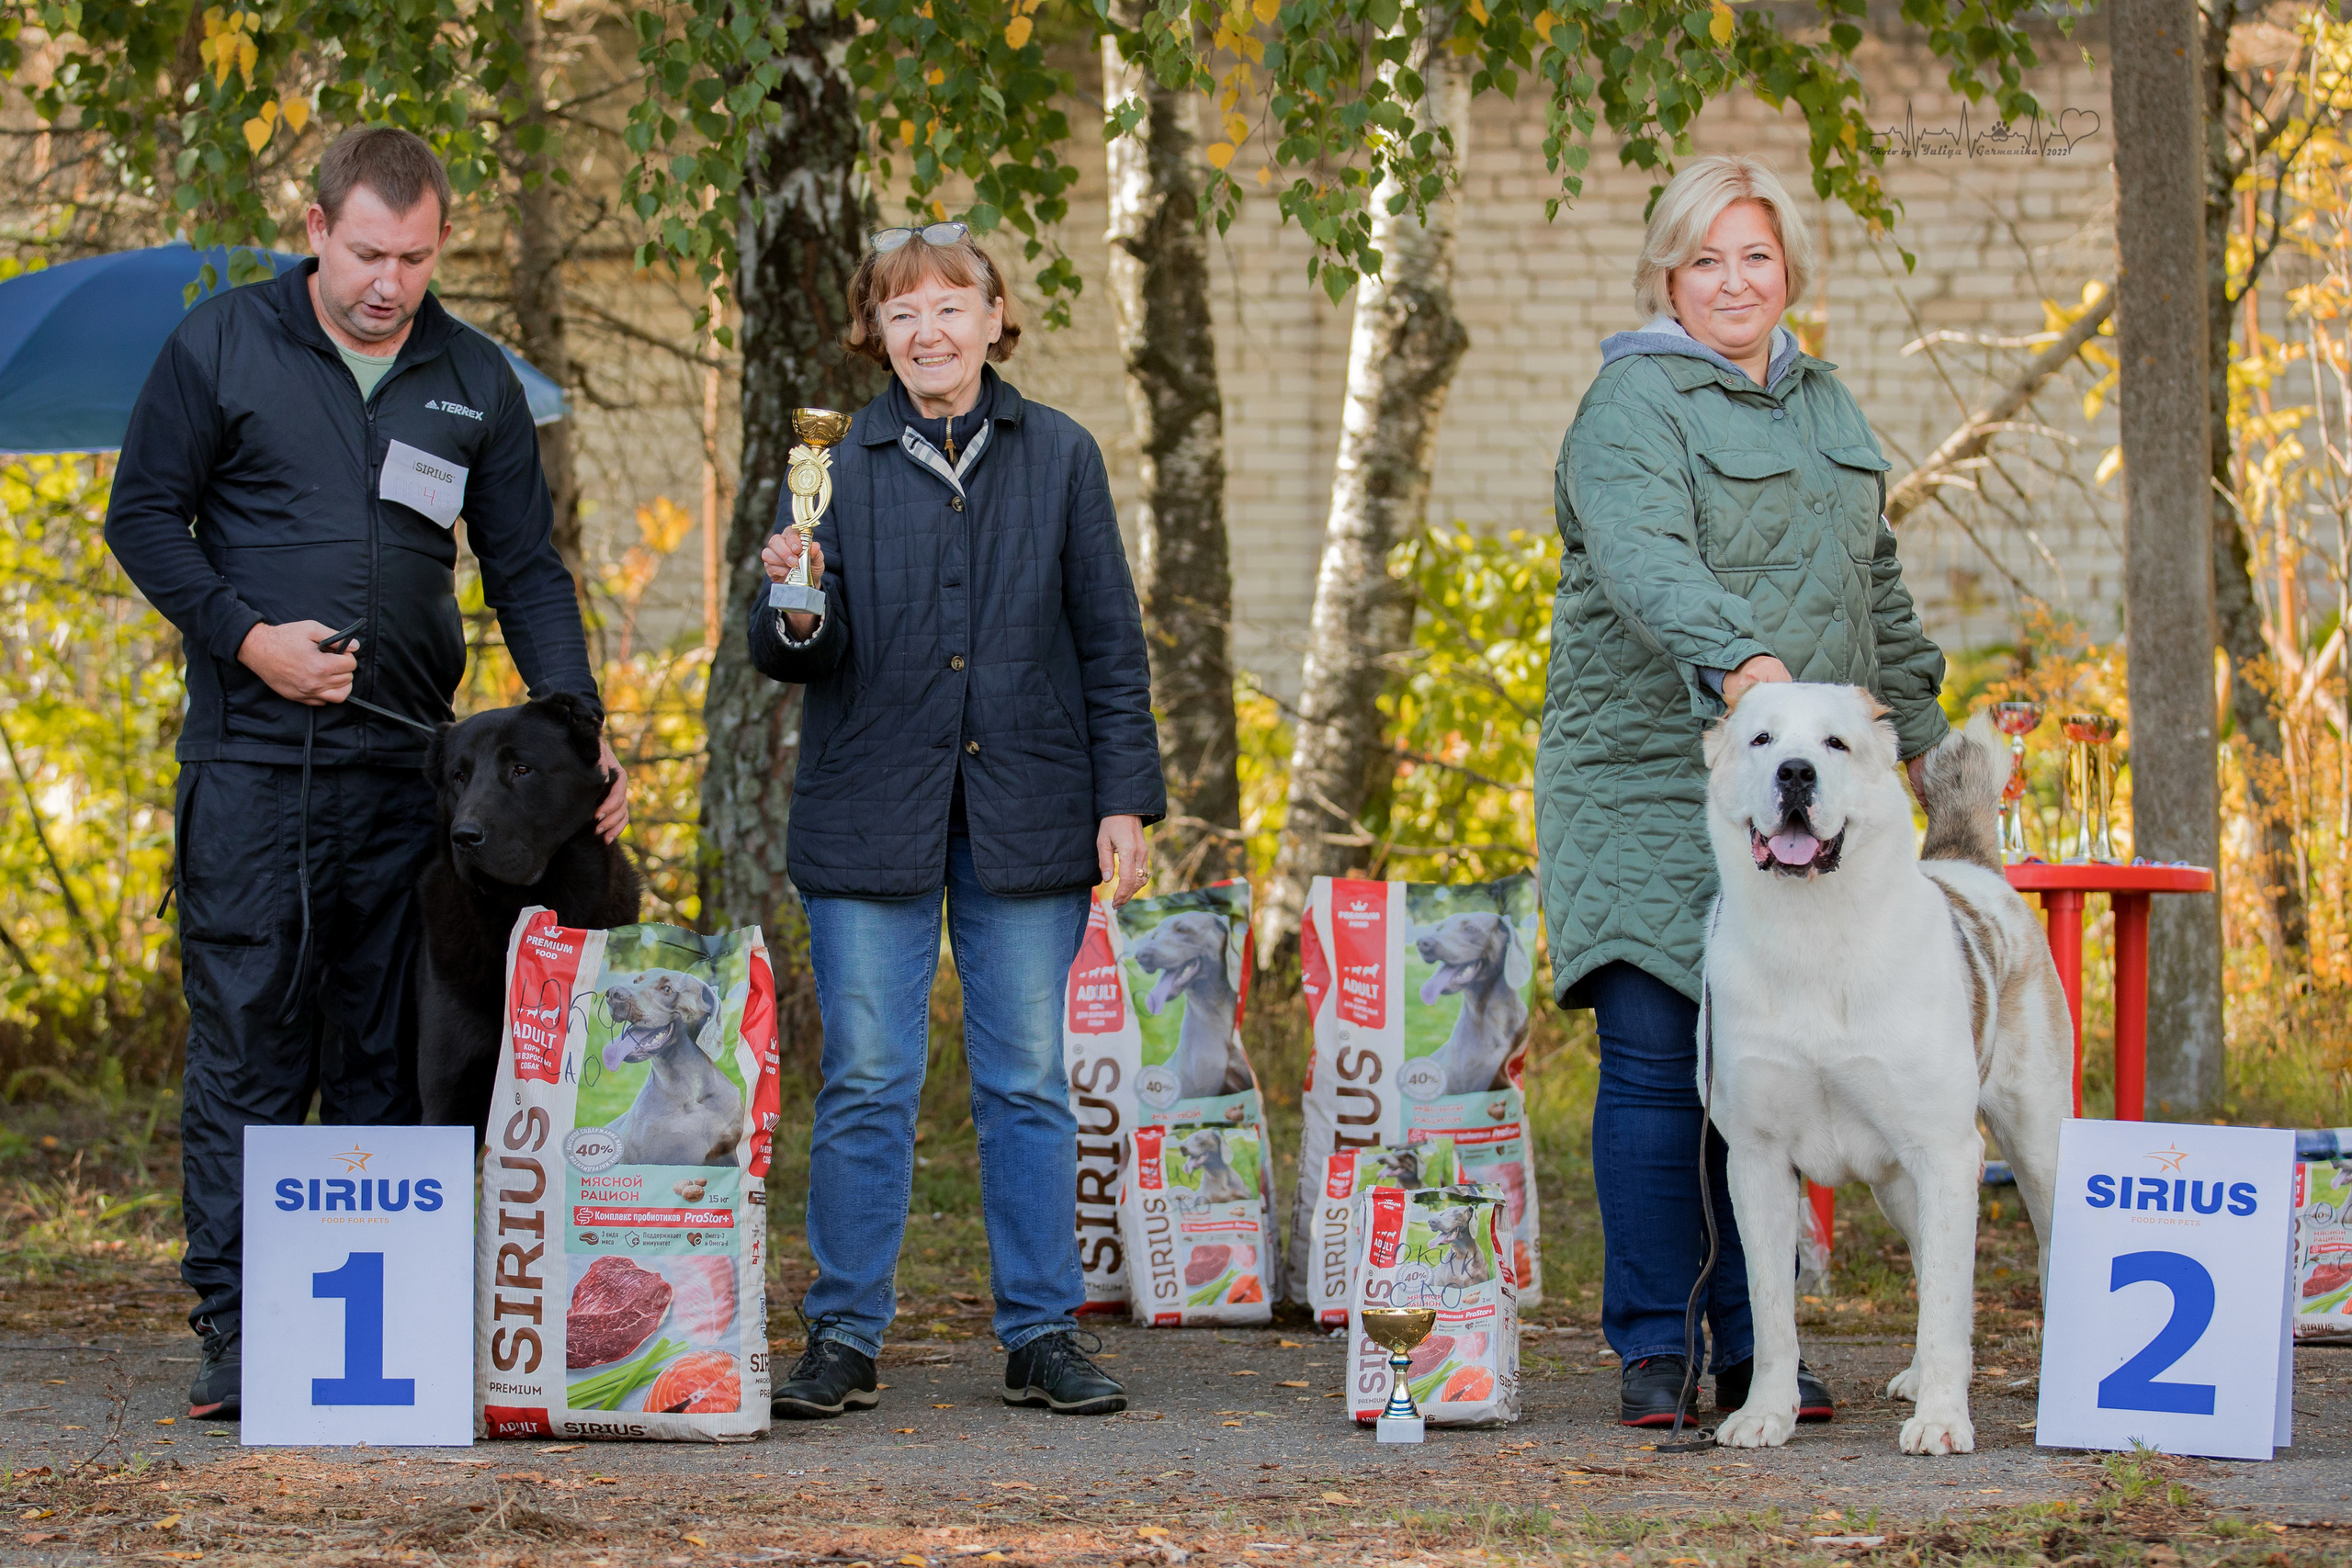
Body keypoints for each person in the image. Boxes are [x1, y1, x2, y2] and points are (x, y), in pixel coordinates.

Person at [104, 126, 626, 1420]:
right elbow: (140, 520)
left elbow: (526, 570)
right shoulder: (222, 345)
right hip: (251, 765)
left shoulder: (472, 377)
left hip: (413, 782)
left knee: (398, 1052)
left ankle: (389, 1322)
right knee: (250, 1049)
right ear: (318, 225)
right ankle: (238, 1335)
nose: (389, 282)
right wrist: (247, 640)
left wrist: (582, 729)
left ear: (440, 241)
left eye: (415, 256)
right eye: (366, 253)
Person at [1535, 155, 1950, 1427]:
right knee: (1667, 1066)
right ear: (1668, 275)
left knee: (1766, 1083)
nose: (1733, 281)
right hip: (1653, 780)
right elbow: (1647, 558)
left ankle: (1760, 1355)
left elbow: (1873, 589)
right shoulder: (1632, 406)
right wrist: (1750, 670)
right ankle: (1660, 1349)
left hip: (1803, 788)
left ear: (1790, 274)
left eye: (1756, 257)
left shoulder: (1828, 408)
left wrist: (1928, 736)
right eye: (1706, 259)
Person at [747, 222, 1163, 1420]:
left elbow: (1110, 642)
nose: (927, 331)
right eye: (900, 312)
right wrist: (797, 601)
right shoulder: (830, 465)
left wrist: (1125, 796)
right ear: (874, 336)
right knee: (872, 1077)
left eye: (950, 306)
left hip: (1029, 809)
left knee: (1028, 1081)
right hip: (871, 813)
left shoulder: (1064, 456)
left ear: (995, 319)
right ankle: (842, 1335)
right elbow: (786, 653)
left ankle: (1042, 1334)